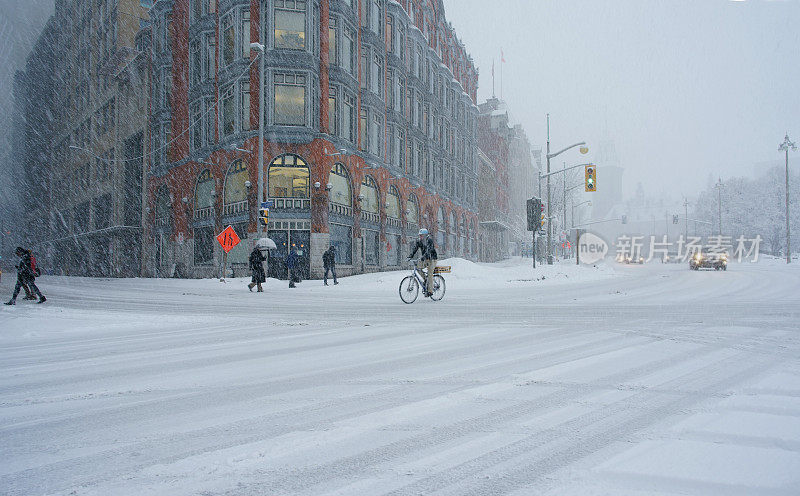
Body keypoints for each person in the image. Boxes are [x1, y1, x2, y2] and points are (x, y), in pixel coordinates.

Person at [408, 228, 438, 297]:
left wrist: (423, 257)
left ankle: (430, 291)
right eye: (420, 235)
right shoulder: (419, 241)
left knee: (430, 273)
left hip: (432, 259)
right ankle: (425, 280)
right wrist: (410, 256)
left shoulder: (429, 241)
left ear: (425, 235)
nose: (420, 237)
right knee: (418, 267)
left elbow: (429, 251)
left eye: (422, 235)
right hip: (425, 258)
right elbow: (415, 249)